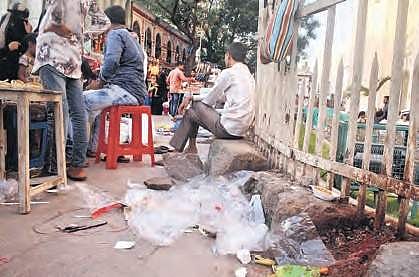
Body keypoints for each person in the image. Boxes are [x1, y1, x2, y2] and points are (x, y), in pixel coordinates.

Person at [33, 0, 110, 181]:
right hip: (73, 60)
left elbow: (58, 19)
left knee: (58, 112)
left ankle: (53, 168)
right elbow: (104, 22)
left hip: (52, 56)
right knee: (77, 113)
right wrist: (82, 35)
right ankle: (77, 165)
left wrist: (60, 27)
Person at [84, 5, 147, 156]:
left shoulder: (115, 34)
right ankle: (92, 148)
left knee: (80, 100)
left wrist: (100, 82)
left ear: (107, 20)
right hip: (136, 92)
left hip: (125, 90)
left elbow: (111, 62)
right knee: (97, 109)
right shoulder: (132, 38)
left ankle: (73, 150)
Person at [170, 42, 255, 153]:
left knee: (196, 106)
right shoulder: (248, 75)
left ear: (228, 56)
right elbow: (222, 97)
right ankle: (191, 147)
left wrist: (190, 98)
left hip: (228, 129)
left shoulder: (229, 73)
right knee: (191, 113)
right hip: (241, 129)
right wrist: (192, 97)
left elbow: (209, 101)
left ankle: (181, 149)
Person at [0, 2, 32, 81]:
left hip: (17, 68)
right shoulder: (5, 23)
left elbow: (28, 48)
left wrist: (29, 34)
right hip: (3, 65)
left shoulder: (24, 24)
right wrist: (8, 48)